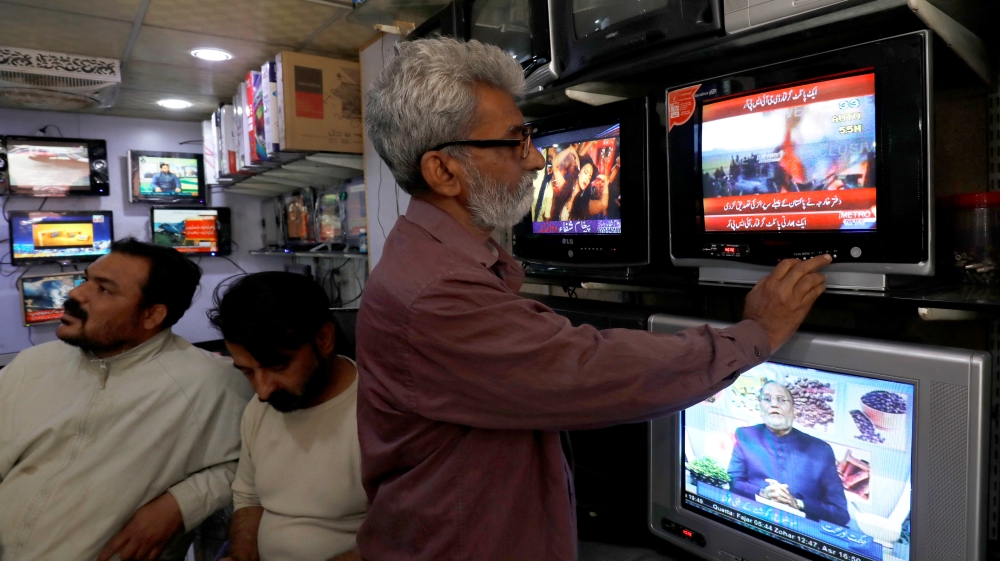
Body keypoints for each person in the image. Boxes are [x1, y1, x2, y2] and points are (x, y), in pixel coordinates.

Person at [360, 37, 830, 560]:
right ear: (443, 171)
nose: (536, 159)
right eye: (515, 141)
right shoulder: (435, 292)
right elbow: (588, 370)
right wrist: (756, 333)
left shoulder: (434, 261)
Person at [0, 238, 253, 561]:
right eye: (86, 279)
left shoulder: (211, 382)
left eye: (104, 289)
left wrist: (181, 503)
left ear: (152, 315)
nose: (76, 294)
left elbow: (255, 463)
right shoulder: (32, 364)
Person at [208, 272, 366, 561]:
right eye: (247, 372)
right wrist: (240, 556)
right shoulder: (261, 407)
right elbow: (249, 498)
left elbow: (407, 538)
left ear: (324, 338)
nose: (263, 391)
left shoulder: (380, 415)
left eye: (278, 366)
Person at [728, 381, 850, 525]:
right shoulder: (744, 435)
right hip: (751, 523)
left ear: (794, 411)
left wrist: (797, 503)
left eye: (781, 400)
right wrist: (763, 493)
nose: (774, 404)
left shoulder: (821, 450)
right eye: (767, 399)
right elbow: (733, 482)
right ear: (760, 409)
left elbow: (840, 514)